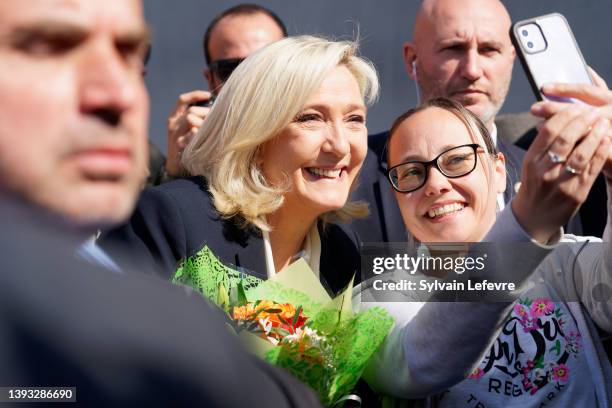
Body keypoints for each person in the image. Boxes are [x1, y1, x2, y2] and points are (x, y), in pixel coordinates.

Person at [0, 0, 322, 404]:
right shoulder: (165, 211)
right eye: (51, 47)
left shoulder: (177, 333)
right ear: (209, 80)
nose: (118, 93)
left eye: (128, 55)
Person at [363, 94, 611, 406]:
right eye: (412, 171)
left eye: (456, 160)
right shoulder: (376, 298)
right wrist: (526, 226)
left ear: (498, 172)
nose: (435, 183)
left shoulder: (564, 261)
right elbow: (420, 362)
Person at [102, 35, 379, 296]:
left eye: (354, 119)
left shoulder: (343, 253)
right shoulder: (171, 220)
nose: (341, 145)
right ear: (255, 136)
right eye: (311, 118)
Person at [158, 4, 287, 182]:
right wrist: (175, 171)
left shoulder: (321, 126)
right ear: (210, 79)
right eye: (230, 70)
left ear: (291, 69)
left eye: (265, 66)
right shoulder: (199, 148)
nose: (248, 81)